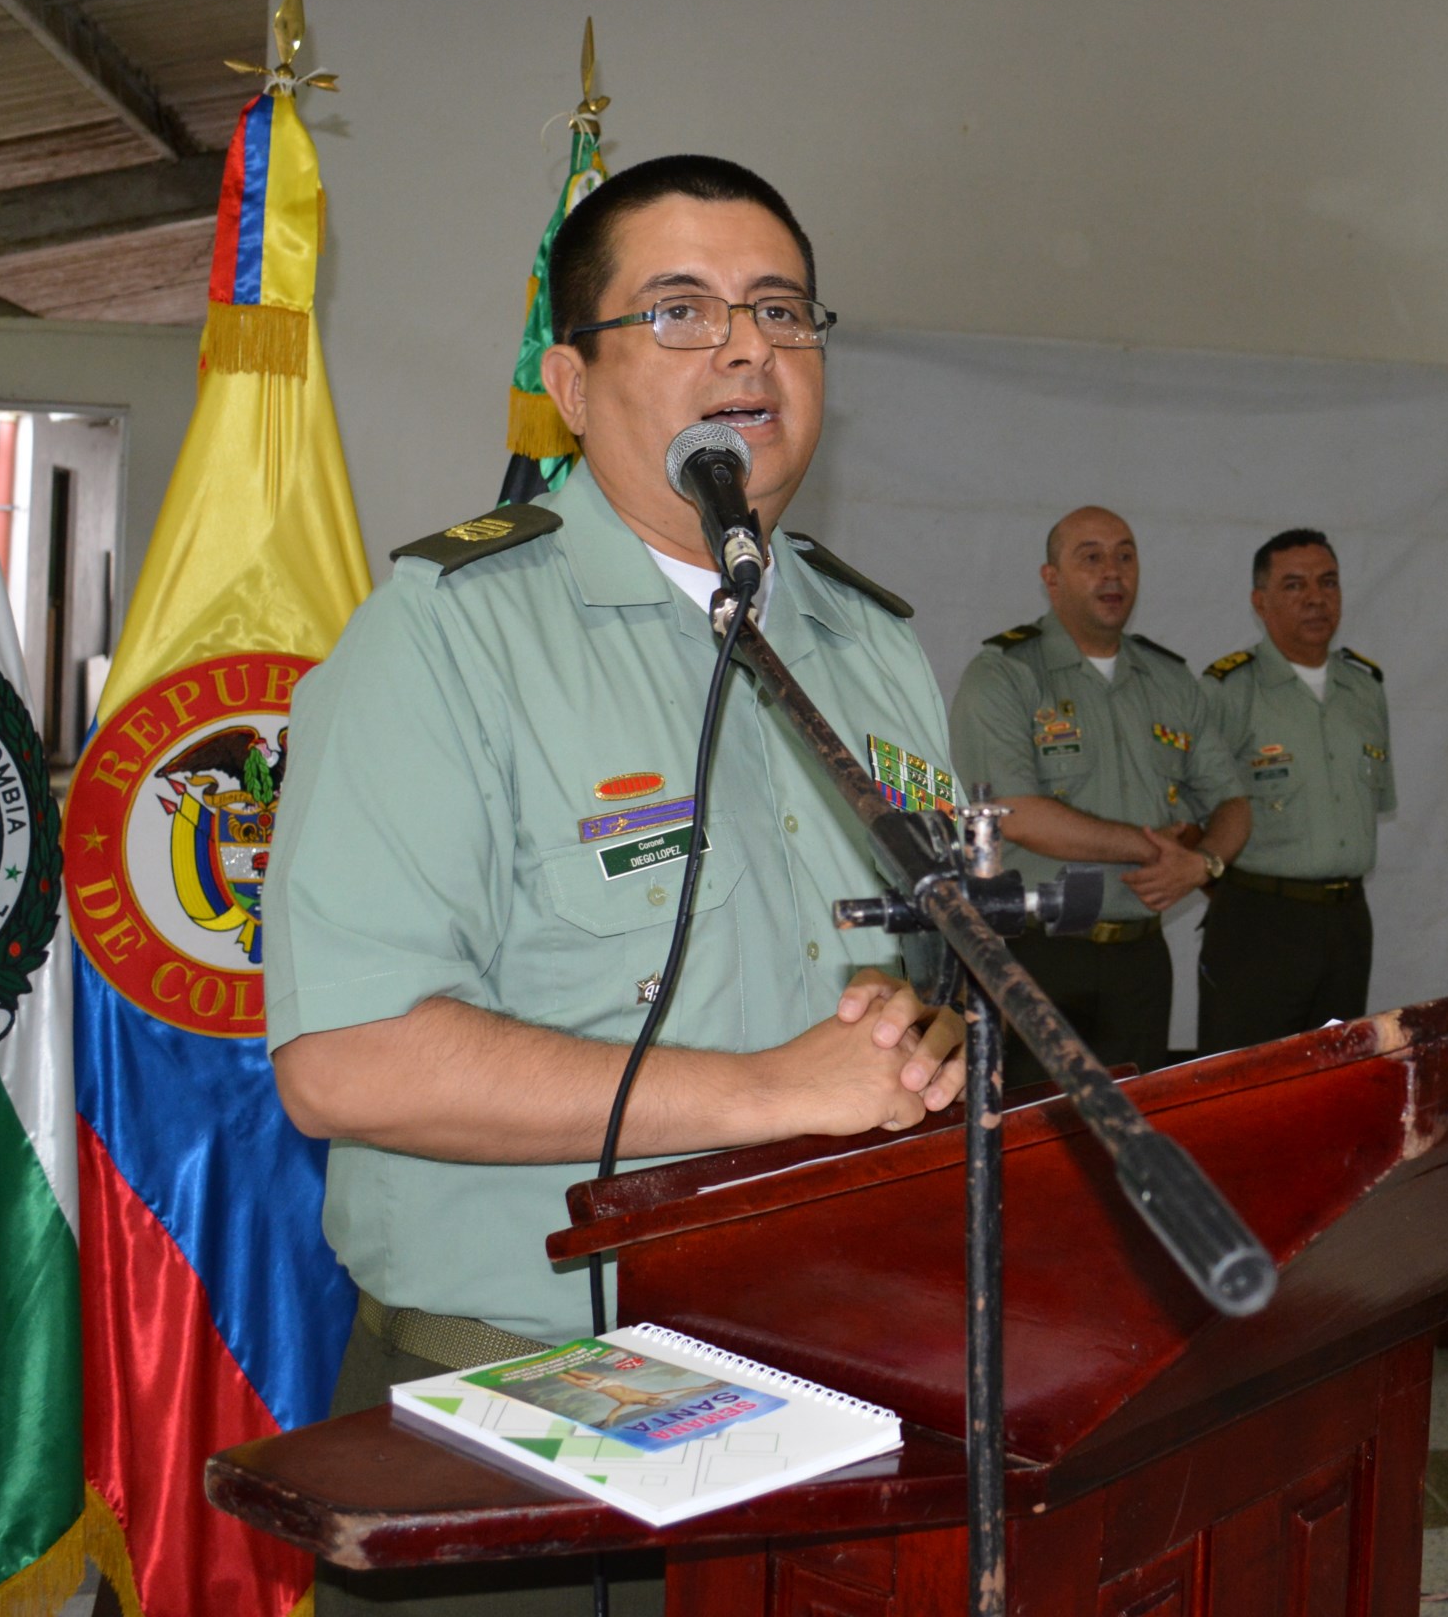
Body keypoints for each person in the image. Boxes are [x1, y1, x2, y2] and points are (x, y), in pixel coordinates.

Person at [263, 154, 968, 1615]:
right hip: (527, 1397)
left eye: (781, 308)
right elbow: (347, 1062)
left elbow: (913, 976)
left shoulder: (873, 642)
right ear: (571, 387)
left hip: (838, 1372)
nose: (746, 348)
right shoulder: (444, 639)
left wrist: (925, 1037)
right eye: (680, 311)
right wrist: (771, 1094)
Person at [949, 508, 1248, 1077]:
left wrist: (1203, 864)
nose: (1112, 573)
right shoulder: (1005, 674)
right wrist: (1151, 849)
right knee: (1032, 1143)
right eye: (1091, 557)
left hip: (1140, 960)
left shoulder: (1170, 679)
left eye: (1125, 555)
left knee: (1131, 1140)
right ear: (1052, 577)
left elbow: (1233, 803)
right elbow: (1017, 815)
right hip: (1037, 953)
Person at [1194, 529, 1393, 1050]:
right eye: (1294, 585)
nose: (1315, 598)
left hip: (1346, 921)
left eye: (1328, 583)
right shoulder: (1227, 690)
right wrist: (1228, 887)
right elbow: (1187, 812)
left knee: (1333, 1078)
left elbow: (1374, 803)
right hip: (1260, 920)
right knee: (1245, 1082)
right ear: (1260, 602)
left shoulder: (1364, 690)